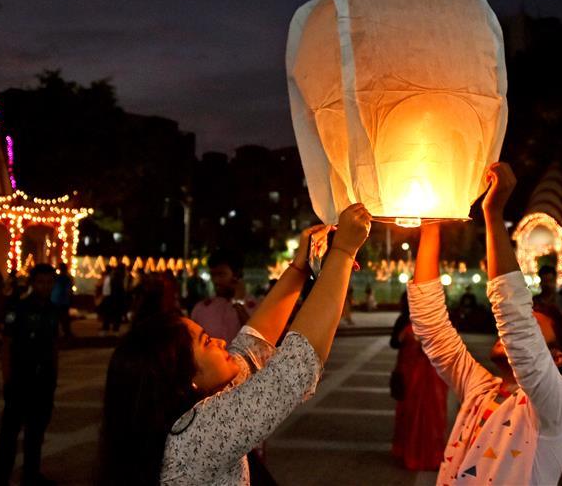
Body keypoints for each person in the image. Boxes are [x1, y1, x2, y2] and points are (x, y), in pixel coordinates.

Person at [97, 205, 371, 486]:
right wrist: (342, 253)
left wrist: (300, 266)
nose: (220, 341)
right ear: (184, 376)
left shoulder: (185, 412)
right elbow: (292, 370)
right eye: (206, 342)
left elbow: (252, 347)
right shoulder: (194, 436)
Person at [409, 163, 562, 485]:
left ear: (557, 358)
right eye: (525, 326)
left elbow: (515, 323)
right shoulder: (482, 389)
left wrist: (493, 214)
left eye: (533, 329)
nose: (511, 334)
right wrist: (431, 225)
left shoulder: (557, 408)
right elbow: (431, 326)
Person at [0, 264, 60, 486]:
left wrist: (54, 377)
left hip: (43, 380)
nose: (45, 286)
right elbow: (6, 346)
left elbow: (54, 345)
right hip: (21, 379)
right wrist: (7, 380)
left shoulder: (52, 310)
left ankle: (31, 475)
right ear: (32, 283)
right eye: (41, 282)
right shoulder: (19, 309)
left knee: (36, 431)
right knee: (9, 433)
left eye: (49, 282)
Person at [390, 291, 448, 470]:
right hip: (412, 374)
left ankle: (421, 453)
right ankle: (414, 452)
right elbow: (395, 342)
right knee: (414, 413)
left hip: (427, 376)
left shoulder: (435, 321)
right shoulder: (409, 320)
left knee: (424, 414)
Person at [191, 250, 249, 341]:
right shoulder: (201, 308)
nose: (216, 281)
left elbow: (257, 338)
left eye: (221, 274)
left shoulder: (255, 306)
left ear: (236, 275)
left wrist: (238, 303)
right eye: (213, 275)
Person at [51, 263, 74, 339]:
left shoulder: (56, 278)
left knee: (57, 318)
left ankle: (56, 333)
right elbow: (69, 290)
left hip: (56, 300)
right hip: (63, 301)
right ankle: (66, 333)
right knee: (64, 318)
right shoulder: (66, 278)